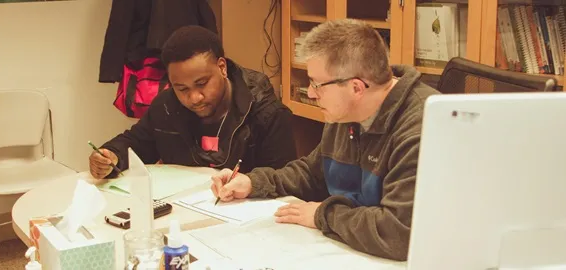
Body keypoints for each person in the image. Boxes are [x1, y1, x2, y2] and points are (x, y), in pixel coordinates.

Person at [210, 19, 440, 261]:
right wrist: (253, 182)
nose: (310, 93)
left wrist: (322, 215)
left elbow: (396, 233)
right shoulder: (347, 113)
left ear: (356, 88)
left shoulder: (421, 128)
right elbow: (313, 173)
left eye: (317, 84)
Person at [89, 25, 297, 180]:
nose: (194, 97)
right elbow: (136, 142)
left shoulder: (267, 113)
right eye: (182, 89)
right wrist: (111, 156)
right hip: (185, 215)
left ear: (222, 68)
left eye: (202, 83)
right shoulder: (166, 107)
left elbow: (281, 183)